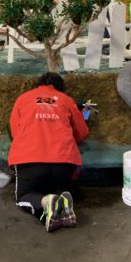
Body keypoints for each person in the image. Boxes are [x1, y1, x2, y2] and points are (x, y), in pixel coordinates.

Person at [8, 72, 89, 232]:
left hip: (29, 160)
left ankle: (46, 202)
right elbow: (81, 133)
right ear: (60, 87)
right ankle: (60, 201)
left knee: (23, 197)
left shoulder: (23, 98)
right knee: (55, 189)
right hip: (64, 163)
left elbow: (15, 131)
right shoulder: (66, 100)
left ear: (38, 84)